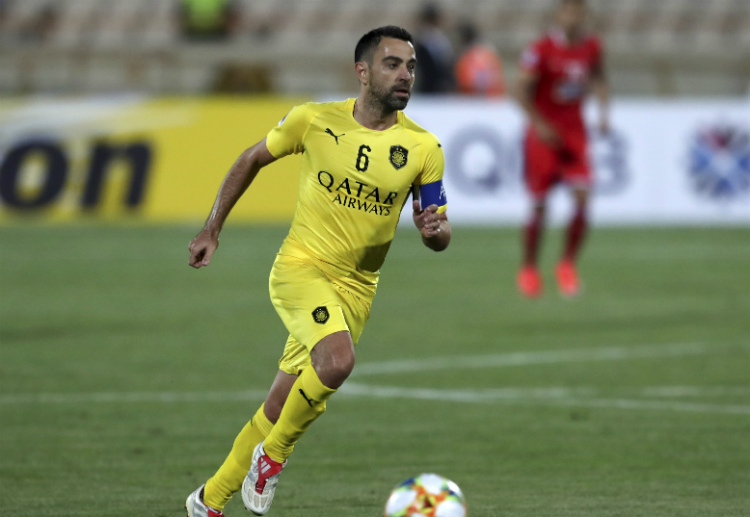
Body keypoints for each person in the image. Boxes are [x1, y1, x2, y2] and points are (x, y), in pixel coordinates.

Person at [185, 25, 451, 517]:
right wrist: (212, 228)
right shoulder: (313, 120)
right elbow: (252, 157)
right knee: (337, 361)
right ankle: (273, 457)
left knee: (279, 406)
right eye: (393, 64)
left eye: (411, 67)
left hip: (357, 289)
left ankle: (209, 501)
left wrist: (432, 230)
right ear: (362, 71)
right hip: (300, 268)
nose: (406, 75)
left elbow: (439, 232)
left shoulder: (423, 149)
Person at [514, 0, 609, 298]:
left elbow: (599, 77)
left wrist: (604, 111)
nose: (573, 17)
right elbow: (519, 89)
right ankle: (529, 268)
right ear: (559, 14)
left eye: (578, 11)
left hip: (575, 134)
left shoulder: (592, 47)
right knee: (539, 205)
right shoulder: (541, 49)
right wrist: (539, 124)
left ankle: (567, 264)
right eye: (568, 11)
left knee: (582, 198)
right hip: (544, 136)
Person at [413, 2, 456, 94]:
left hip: (435, 86)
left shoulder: (438, 40)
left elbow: (446, 64)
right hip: (429, 85)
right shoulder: (433, 40)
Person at [454, 21, 505, 97]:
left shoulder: (469, 55)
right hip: (493, 97)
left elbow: (467, 81)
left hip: (474, 98)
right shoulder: (489, 51)